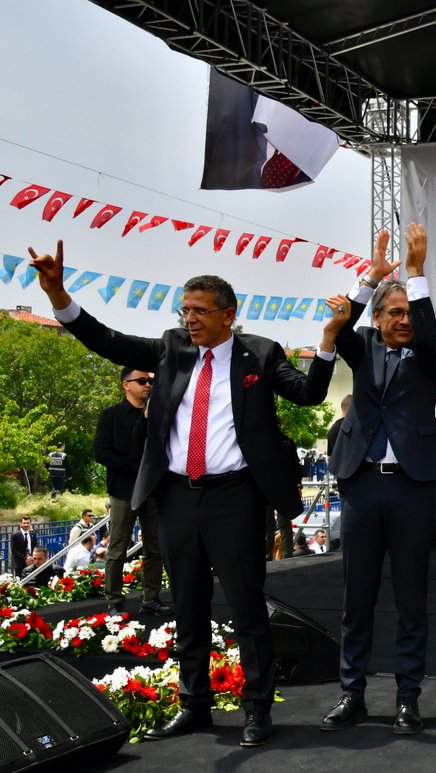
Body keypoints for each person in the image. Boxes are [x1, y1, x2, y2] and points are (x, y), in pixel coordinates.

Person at [27, 239, 343, 748]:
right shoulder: (171, 347)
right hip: (176, 496)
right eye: (185, 310)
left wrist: (327, 340)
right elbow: (108, 340)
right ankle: (195, 706)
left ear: (228, 315)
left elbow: (308, 394)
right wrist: (60, 295)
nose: (190, 319)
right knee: (187, 607)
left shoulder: (259, 352)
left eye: (200, 311)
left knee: (246, 608)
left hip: (236, 498)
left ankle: (257, 709)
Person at [319, 225, 436, 736]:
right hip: (362, 484)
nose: (402, 321)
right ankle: (352, 695)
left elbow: (428, 326)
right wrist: (373, 277)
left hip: (413, 486)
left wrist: (415, 276)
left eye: (407, 314)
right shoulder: (364, 347)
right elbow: (343, 323)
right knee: (357, 595)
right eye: (391, 313)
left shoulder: (430, 355)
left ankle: (407, 698)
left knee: (412, 597)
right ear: (377, 319)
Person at [95, 367, 170, 615]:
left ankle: (151, 598)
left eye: (150, 381)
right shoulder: (111, 416)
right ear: (125, 384)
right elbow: (101, 453)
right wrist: (136, 467)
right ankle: (114, 603)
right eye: (141, 380)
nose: (147, 385)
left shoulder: (158, 415)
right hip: (123, 491)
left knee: (154, 548)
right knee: (117, 549)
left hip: (154, 491)